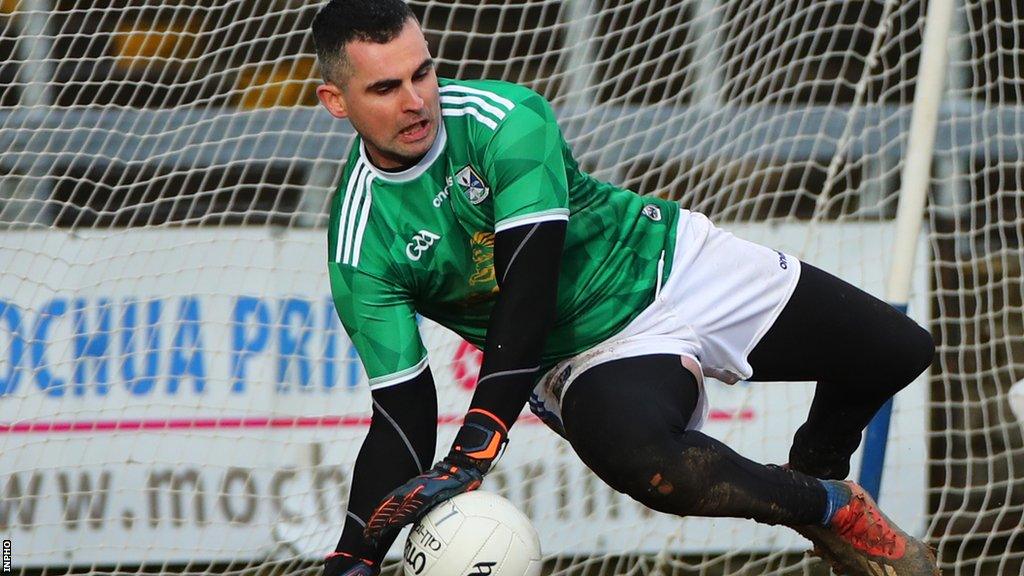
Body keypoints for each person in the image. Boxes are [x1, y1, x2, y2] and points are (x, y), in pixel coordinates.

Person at [311, 1, 940, 575]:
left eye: (423, 73)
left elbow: (526, 287)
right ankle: (829, 507)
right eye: (386, 87)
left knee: (899, 351)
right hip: (577, 355)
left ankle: (817, 467)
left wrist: (476, 444)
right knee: (644, 459)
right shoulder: (360, 246)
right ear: (336, 101)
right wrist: (354, 556)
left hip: (671, 261)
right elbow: (402, 413)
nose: (418, 100)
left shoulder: (506, 119)